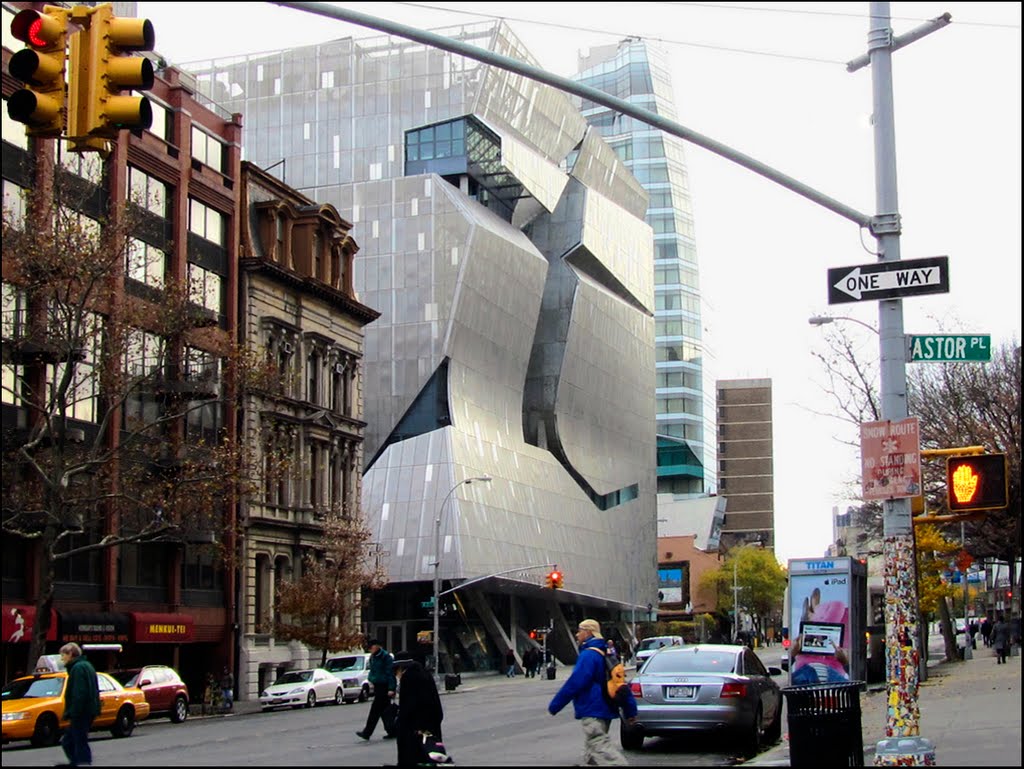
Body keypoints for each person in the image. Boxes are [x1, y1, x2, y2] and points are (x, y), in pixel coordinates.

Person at [548, 618, 637, 766]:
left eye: (580, 631)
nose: (577, 635)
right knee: (592, 753)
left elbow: (575, 682)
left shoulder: (588, 655)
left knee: (599, 745)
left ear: (588, 632)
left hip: (593, 708)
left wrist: (555, 705)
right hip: (605, 707)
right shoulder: (605, 652)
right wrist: (630, 711)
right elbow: (621, 684)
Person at [392, 650, 444, 766]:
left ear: (400, 668)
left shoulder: (408, 678)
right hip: (431, 725)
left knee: (412, 758)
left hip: (414, 729)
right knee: (430, 757)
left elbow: (407, 708)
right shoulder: (425, 673)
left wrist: (399, 724)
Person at [59, 642, 100, 767]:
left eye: (63, 655)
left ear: (71, 654)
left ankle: (81, 763)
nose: (62, 659)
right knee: (75, 740)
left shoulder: (77, 668)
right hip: (89, 710)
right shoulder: (87, 666)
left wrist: (73, 712)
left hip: (81, 712)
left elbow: (79, 692)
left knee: (74, 741)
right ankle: (79, 762)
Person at [357, 638, 398, 740]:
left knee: (375, 710)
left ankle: (367, 732)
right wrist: (371, 679)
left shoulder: (385, 657)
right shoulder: (373, 657)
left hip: (384, 686)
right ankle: (391, 730)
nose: (370, 649)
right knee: (384, 711)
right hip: (377, 685)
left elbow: (390, 673)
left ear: (377, 646)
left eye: (372, 647)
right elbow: (373, 671)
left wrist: (391, 688)